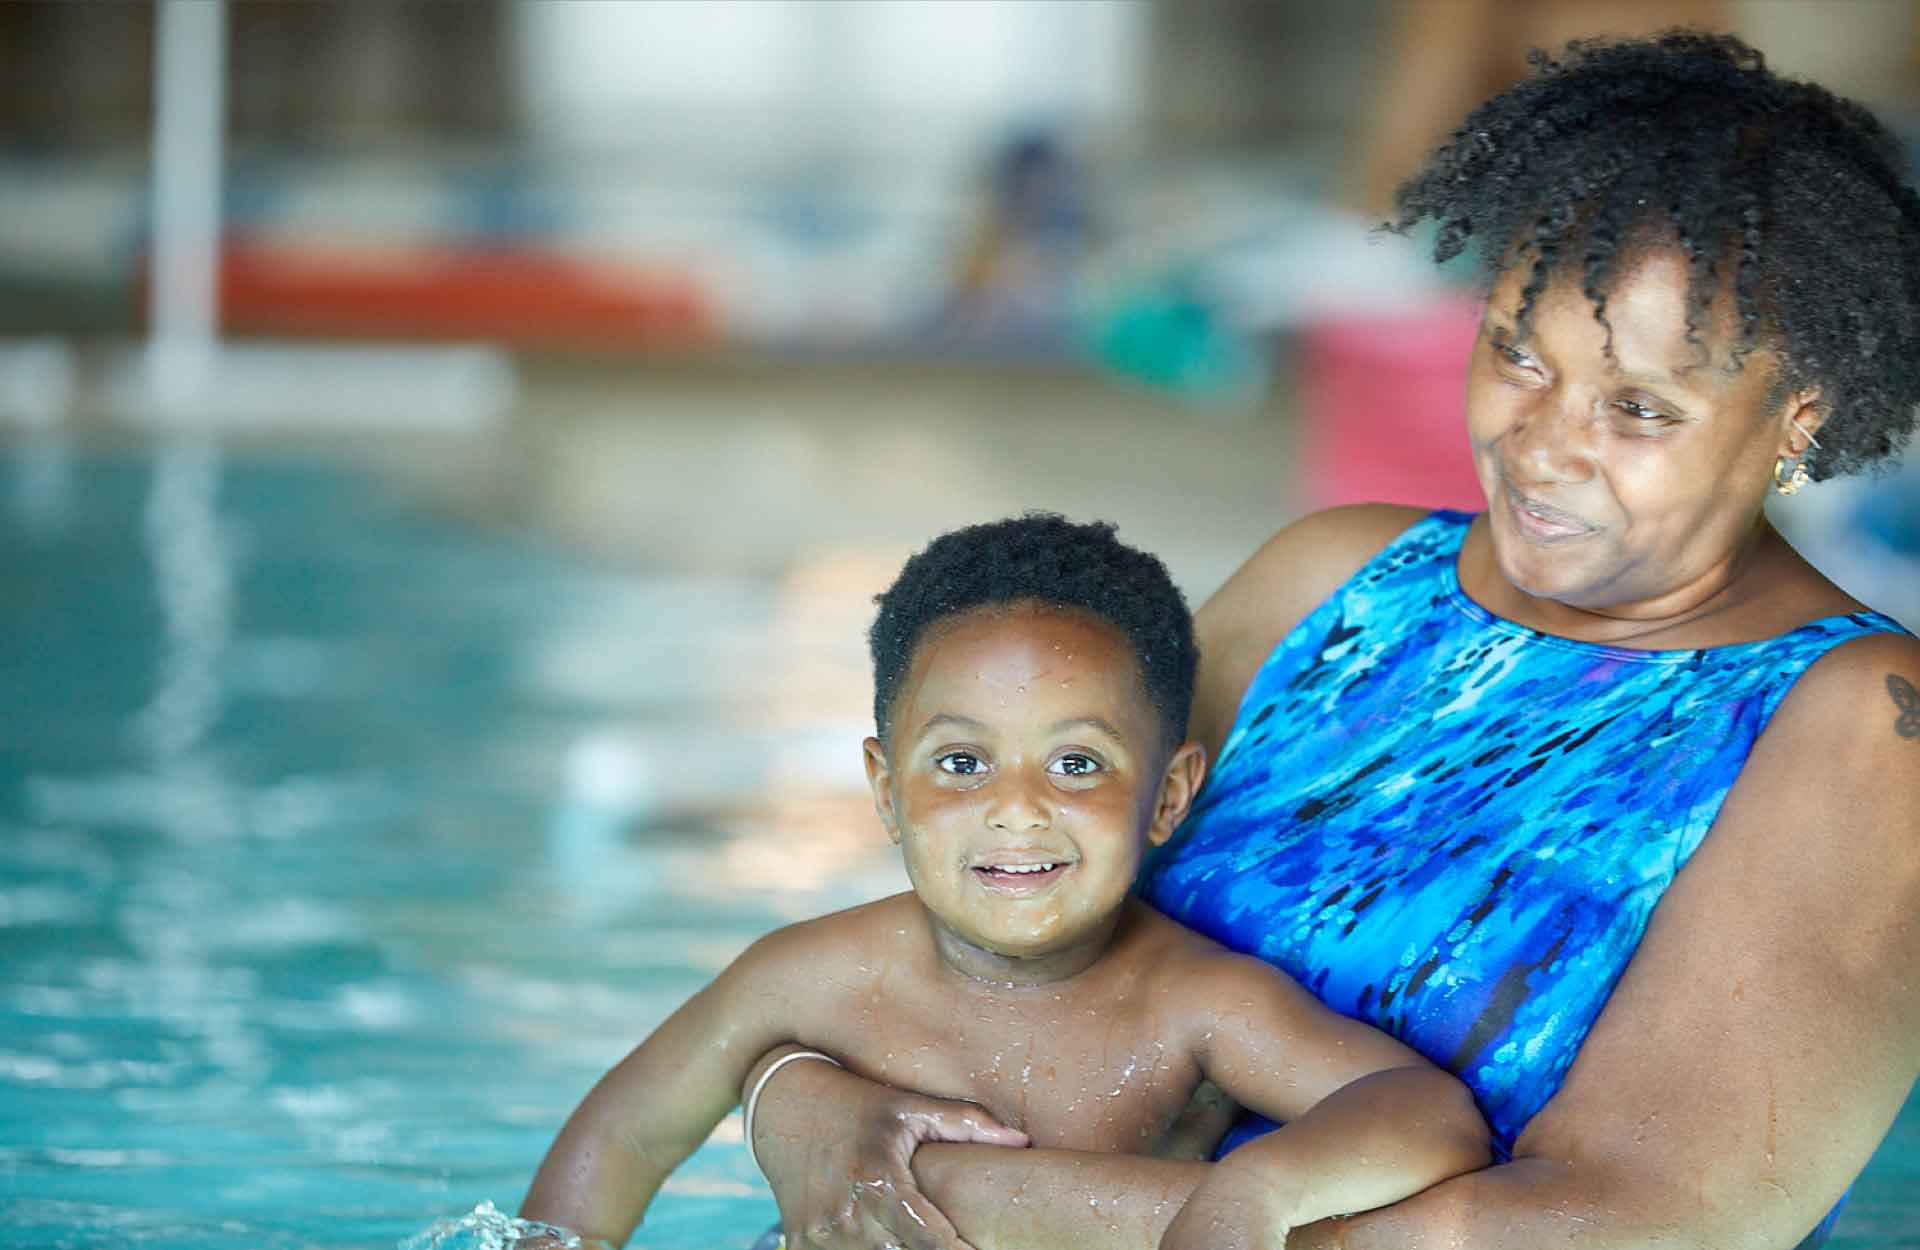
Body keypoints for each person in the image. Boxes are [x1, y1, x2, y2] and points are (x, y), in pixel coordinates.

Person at [741, 32, 1920, 1250]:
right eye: (1517, 354)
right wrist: (802, 1102)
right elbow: (949, 934)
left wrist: (1002, 1200)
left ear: (1799, 413)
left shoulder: (1864, 724)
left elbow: (1628, 1224)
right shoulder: (1336, 580)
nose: (1542, 443)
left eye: (1637, 409)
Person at [518, 515, 1491, 1250]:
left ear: (1168, 796)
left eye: (1076, 764)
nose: (1016, 808)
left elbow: (1423, 1110)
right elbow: (629, 1131)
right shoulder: (805, 975)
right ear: (885, 791)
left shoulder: (1194, 1001)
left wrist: (1254, 1192)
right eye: (959, 762)